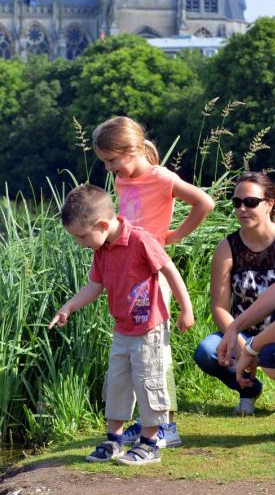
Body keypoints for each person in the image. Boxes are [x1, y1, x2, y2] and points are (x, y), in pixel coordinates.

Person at [48, 184, 194, 466]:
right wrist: (69, 306)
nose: (80, 243)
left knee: (149, 382)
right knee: (117, 383)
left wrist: (185, 309)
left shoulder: (140, 241)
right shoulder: (102, 249)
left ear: (102, 224)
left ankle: (150, 444)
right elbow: (95, 286)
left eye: (81, 236)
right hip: (122, 328)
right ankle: (114, 440)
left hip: (149, 328)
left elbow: (169, 271)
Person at [92, 116, 215, 446]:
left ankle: (166, 427)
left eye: (111, 160)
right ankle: (149, 422)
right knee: (135, 356)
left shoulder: (162, 177)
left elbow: (205, 202)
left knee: (156, 354)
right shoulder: (122, 179)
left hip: (153, 275)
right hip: (129, 276)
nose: (109, 168)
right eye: (105, 162)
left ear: (131, 149)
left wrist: (175, 235)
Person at [194, 171, 275, 415]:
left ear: (269, 204)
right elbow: (220, 306)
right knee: (206, 351)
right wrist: (239, 339)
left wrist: (257, 345)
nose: (242, 208)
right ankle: (248, 389)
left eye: (250, 202)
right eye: (236, 202)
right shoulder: (228, 247)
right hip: (246, 330)